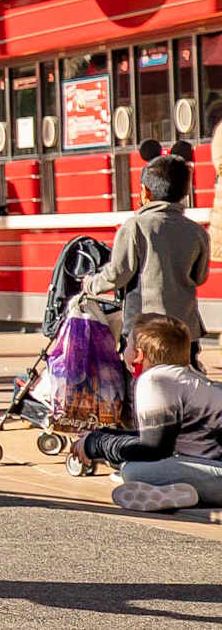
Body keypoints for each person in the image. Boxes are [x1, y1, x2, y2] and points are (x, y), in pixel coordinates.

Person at [79, 315, 222, 511]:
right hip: (214, 469)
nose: (122, 352)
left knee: (135, 470)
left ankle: (190, 495)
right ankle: (185, 495)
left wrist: (95, 444)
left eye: (126, 346)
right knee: (141, 465)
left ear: (139, 354)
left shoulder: (155, 380)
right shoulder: (183, 378)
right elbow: (158, 438)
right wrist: (101, 436)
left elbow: (153, 448)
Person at [86, 142, 211, 356]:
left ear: (145, 192)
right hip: (185, 332)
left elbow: (117, 274)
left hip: (147, 332)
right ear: (184, 193)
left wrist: (90, 284)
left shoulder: (136, 227)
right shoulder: (197, 232)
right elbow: (199, 277)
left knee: (143, 385)